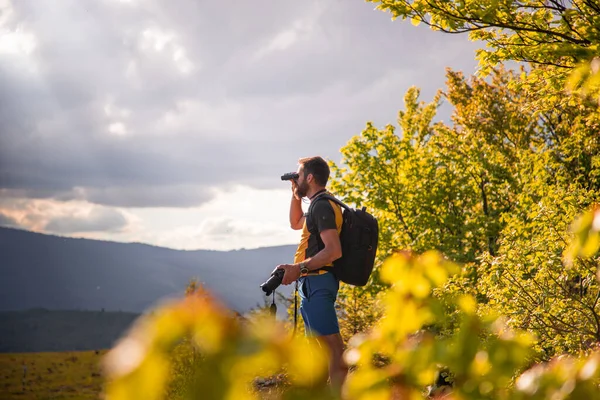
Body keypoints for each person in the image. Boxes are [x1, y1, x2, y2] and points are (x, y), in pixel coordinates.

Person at [275, 156, 348, 392]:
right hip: (312, 283)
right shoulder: (318, 205)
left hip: (318, 282)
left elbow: (333, 250)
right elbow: (296, 222)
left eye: (299, 174)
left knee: (333, 347)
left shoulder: (323, 206)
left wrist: (299, 269)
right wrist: (295, 192)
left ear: (310, 177)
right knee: (317, 349)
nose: (296, 177)